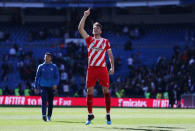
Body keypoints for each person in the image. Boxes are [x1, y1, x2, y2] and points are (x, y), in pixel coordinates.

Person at [78, 8, 115, 125]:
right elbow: (80, 29)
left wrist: (112, 67)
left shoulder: (105, 41)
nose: (95, 29)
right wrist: (85, 16)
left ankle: (108, 115)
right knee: (89, 91)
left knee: (106, 90)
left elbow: (110, 55)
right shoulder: (89, 40)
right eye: (94, 28)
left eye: (97, 28)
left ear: (101, 30)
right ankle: (90, 115)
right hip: (92, 69)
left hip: (102, 68)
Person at [34, 52, 59, 122]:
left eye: (48, 57)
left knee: (50, 102)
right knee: (44, 101)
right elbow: (37, 77)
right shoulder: (41, 66)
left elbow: (57, 77)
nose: (46, 58)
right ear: (44, 58)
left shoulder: (54, 67)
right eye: (45, 57)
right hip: (43, 86)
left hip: (51, 87)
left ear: (51, 58)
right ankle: (44, 115)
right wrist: (35, 87)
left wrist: (55, 84)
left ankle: (49, 116)